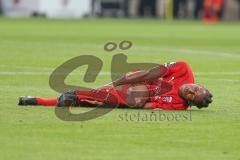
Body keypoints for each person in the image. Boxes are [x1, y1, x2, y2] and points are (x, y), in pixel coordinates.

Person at [18, 61, 213, 110]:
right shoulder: (183, 69)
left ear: (189, 102)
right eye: (195, 88)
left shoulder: (178, 106)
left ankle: (36, 100)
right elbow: (150, 72)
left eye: (191, 96)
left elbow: (149, 105)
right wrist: (121, 80)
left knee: (91, 100)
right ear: (199, 84)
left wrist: (127, 103)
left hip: (135, 97)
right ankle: (74, 97)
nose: (190, 90)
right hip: (138, 80)